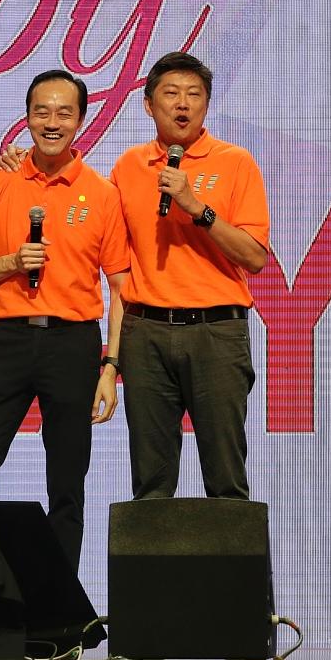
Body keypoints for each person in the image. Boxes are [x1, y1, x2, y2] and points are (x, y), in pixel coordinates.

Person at [0, 69, 130, 569]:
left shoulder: (102, 193)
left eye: (64, 112)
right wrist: (9, 262)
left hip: (73, 345)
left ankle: (60, 623)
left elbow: (120, 288)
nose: (53, 122)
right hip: (5, 339)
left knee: (67, 486)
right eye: (42, 112)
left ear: (82, 121)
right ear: (27, 118)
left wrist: (111, 367)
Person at [109, 50, 269, 499]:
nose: (182, 104)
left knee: (225, 477)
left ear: (206, 105)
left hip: (215, 331)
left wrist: (197, 207)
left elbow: (254, 257)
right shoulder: (128, 166)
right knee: (151, 481)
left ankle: (235, 571)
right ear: (148, 104)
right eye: (171, 93)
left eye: (194, 95)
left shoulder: (235, 162)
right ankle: (150, 570)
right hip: (146, 333)